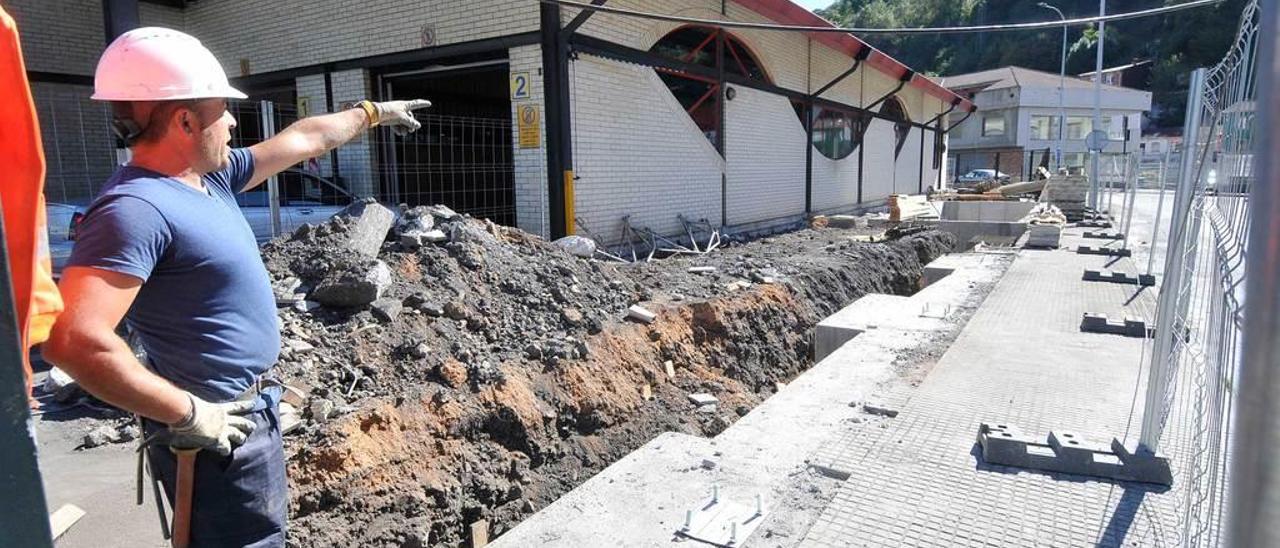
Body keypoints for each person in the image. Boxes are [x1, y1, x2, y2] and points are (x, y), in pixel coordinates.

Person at [43, 27, 429, 547]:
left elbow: (304, 138)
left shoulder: (208, 179)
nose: (230, 122)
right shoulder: (135, 210)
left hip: (245, 414)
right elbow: (72, 338)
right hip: (210, 436)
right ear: (184, 120)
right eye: (222, 110)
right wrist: (187, 412)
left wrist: (371, 112)